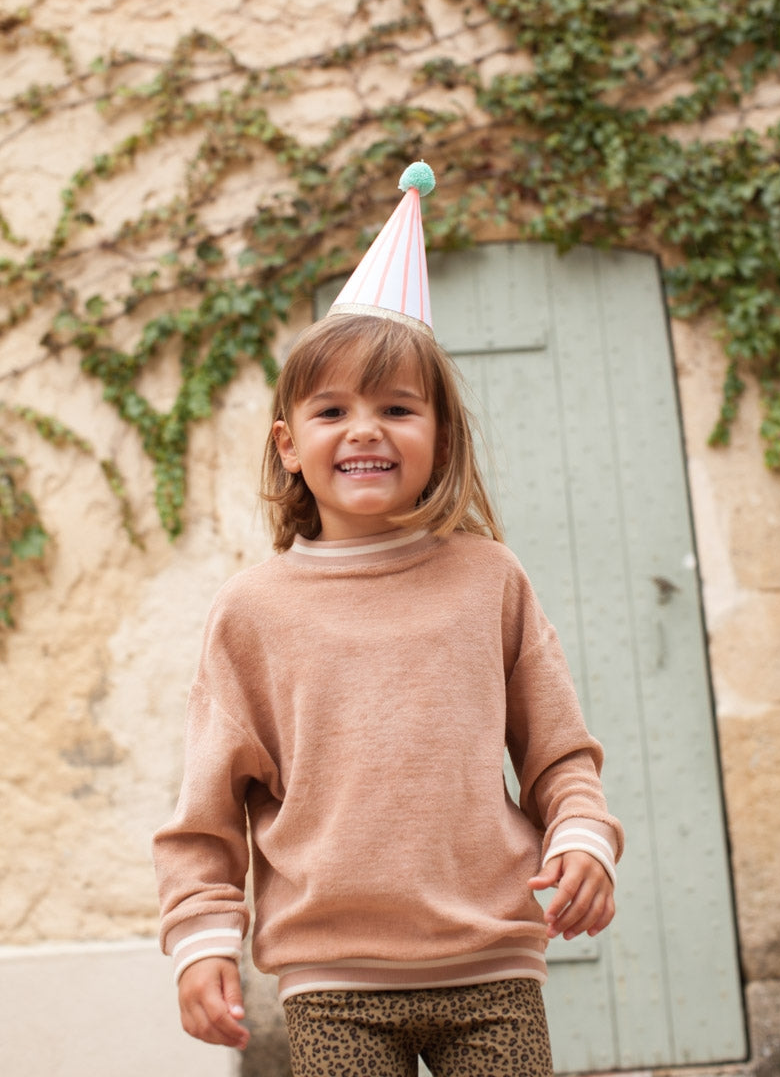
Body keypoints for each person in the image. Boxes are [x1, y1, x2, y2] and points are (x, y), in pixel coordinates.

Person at [153, 163, 623, 1077]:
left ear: (439, 437)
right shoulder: (252, 611)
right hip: (332, 980)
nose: (365, 429)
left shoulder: (490, 580)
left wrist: (582, 837)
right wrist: (201, 936)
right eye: (332, 410)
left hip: (492, 965)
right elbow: (206, 811)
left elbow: (559, 754)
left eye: (397, 408)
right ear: (290, 444)